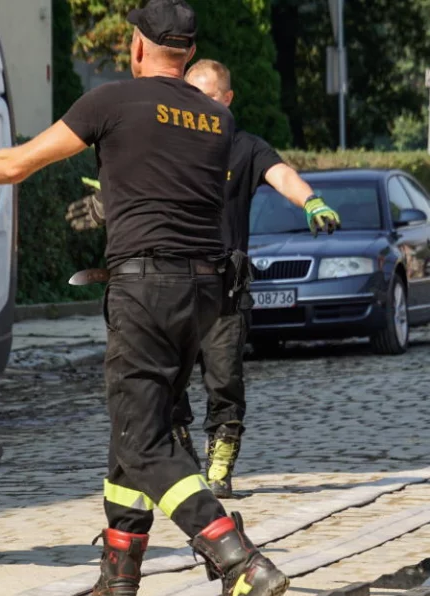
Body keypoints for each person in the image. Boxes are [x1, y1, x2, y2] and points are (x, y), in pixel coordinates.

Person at [0, 0, 289, 596]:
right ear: (188, 55)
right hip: (203, 294)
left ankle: (241, 561)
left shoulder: (113, 102)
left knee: (145, 443)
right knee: (138, 430)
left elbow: (17, 164)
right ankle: (117, 581)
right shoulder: (217, 118)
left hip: (146, 289)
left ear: (138, 48)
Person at [68, 59, 342, 499]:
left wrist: (310, 200)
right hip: (168, 287)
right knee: (165, 386)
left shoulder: (242, 147)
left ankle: (221, 462)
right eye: (191, 93)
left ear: (227, 100)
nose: (197, 105)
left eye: (208, 97)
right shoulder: (165, 143)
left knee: (224, 381)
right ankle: (179, 463)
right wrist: (108, 202)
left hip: (223, 291)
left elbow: (281, 174)